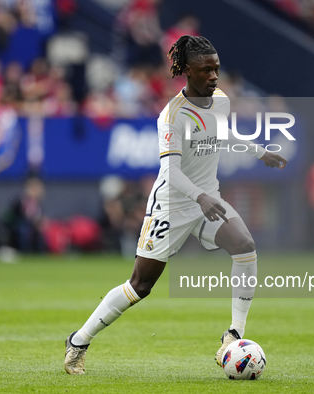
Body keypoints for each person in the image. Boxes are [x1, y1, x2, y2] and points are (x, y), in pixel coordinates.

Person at [63, 35, 288, 375]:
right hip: (173, 204)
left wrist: (260, 152)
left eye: (216, 69)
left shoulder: (221, 101)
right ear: (186, 72)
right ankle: (78, 342)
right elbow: (170, 171)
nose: (214, 76)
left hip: (207, 200)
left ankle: (233, 335)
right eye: (206, 70)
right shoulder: (173, 116)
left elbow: (224, 135)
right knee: (140, 286)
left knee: (245, 247)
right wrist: (200, 196)